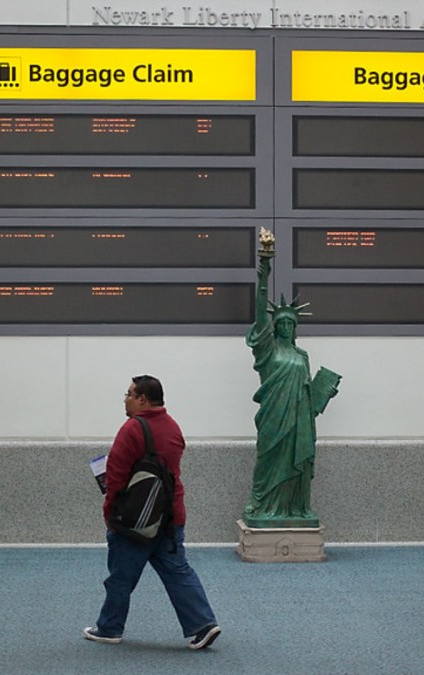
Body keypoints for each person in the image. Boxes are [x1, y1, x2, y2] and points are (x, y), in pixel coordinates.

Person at [85, 375, 221, 650]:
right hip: (170, 518)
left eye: (129, 394)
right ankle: (203, 624)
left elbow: (116, 478)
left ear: (142, 399)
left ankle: (109, 628)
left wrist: (110, 515)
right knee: (178, 571)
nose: (125, 398)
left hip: (135, 522)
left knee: (121, 577)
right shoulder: (173, 427)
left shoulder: (132, 429)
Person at [243, 245, 339, 528]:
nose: (285, 326)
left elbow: (307, 393)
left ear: (295, 327)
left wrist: (322, 396)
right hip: (273, 417)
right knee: (268, 459)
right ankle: (261, 504)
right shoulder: (268, 350)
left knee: (297, 464)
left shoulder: (302, 356)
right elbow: (261, 319)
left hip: (299, 421)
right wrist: (263, 281)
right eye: (281, 322)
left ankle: (296, 508)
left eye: (289, 323)